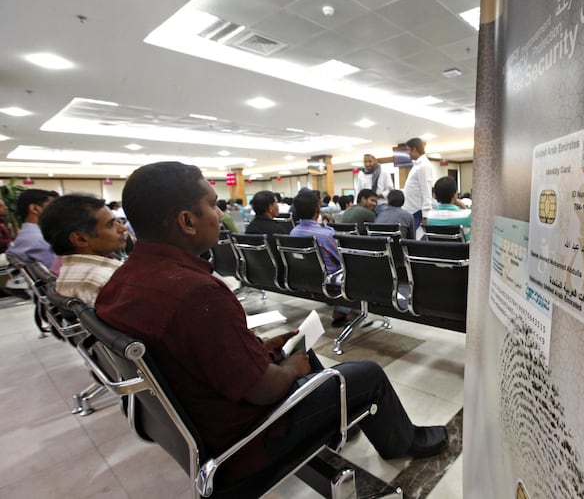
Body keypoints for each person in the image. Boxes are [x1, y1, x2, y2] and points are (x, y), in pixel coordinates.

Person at [95, 162, 447, 485]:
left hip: (194, 422)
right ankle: (403, 441)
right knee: (363, 373)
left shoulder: (120, 284)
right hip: (244, 442)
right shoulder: (196, 293)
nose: (220, 214)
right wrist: (291, 368)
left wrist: (258, 351)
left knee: (300, 352)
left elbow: (193, 354)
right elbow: (263, 390)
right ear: (187, 221)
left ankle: (335, 415)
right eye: (214, 204)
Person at [39, 194, 128, 305]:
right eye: (110, 225)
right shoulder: (107, 280)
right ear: (81, 239)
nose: (122, 228)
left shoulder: (68, 272)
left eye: (118, 222)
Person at [290, 190, 356, 327]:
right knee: (357, 270)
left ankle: (342, 308)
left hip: (306, 278)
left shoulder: (293, 232)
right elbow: (343, 259)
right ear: (317, 209)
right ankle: (351, 309)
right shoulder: (326, 234)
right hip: (329, 281)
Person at [6, 188, 59, 269]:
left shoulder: (28, 234)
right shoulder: (38, 239)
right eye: (53, 207)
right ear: (35, 209)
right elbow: (59, 271)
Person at [401, 137, 434, 236]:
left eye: (408, 150)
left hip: (417, 212)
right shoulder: (417, 165)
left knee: (416, 241)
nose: (408, 153)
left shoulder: (424, 166)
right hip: (411, 210)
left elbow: (426, 190)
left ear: (414, 149)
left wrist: (426, 214)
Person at [427, 176, 472, 241]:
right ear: (455, 194)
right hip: (463, 250)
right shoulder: (467, 215)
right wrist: (460, 203)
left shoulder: (430, 216)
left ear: (435, 195)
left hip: (438, 250)